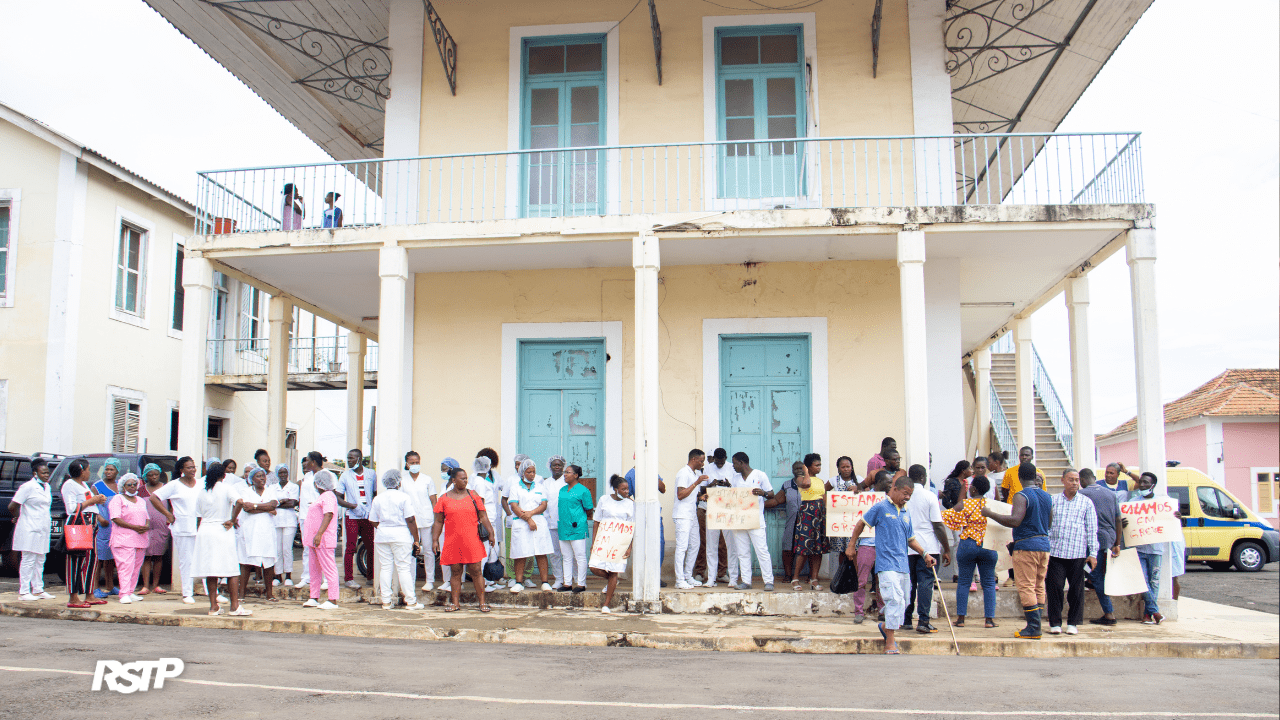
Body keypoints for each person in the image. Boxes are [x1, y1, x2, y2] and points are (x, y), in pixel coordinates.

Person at [847, 474, 936, 655]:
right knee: (893, 599)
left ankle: (886, 626)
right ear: (894, 489)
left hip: (903, 564)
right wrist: (851, 545)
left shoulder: (906, 513)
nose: (907, 497)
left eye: (910, 494)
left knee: (903, 603)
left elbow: (910, 539)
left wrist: (925, 553)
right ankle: (891, 641)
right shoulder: (880, 507)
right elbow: (860, 524)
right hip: (886, 564)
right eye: (905, 493)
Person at [983, 462, 1052, 639]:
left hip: (1026, 547)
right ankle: (1037, 625)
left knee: (1026, 586)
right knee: (1039, 585)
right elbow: (1049, 523)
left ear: (1019, 477)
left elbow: (1015, 520)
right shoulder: (1046, 496)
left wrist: (991, 514)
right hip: (1044, 545)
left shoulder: (1021, 495)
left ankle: (1033, 627)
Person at [432, 467, 496, 612]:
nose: (465, 481)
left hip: (472, 540)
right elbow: (438, 521)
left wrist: (491, 533)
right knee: (456, 572)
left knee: (476, 571)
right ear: (453, 480)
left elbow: (483, 516)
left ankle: (482, 602)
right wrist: (435, 540)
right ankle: (455, 603)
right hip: (453, 541)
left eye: (466, 478)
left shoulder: (473, 495)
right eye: (462, 478)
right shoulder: (444, 499)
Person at [1046, 469, 1098, 635]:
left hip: (1078, 554)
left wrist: (1093, 553)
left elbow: (1092, 529)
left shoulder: (1086, 503)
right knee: (1055, 588)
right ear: (1063, 480)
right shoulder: (1052, 501)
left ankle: (1073, 623)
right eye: (1071, 480)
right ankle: (1055, 623)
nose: (1074, 483)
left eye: (1077, 480)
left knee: (1076, 590)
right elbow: (1047, 526)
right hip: (1056, 553)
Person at [942, 475, 999, 628]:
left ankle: (961, 619)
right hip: (988, 543)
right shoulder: (991, 505)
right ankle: (989, 620)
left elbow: (947, 516)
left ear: (973, 489)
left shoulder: (964, 504)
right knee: (988, 583)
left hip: (968, 543)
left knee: (964, 582)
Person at [192, 463, 247, 616]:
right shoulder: (226, 488)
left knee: (211, 570)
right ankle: (235, 606)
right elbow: (240, 502)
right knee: (231, 570)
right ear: (223, 475)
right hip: (222, 528)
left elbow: (198, 516)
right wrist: (232, 519)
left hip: (205, 529)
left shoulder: (203, 491)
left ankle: (213, 606)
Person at [903, 464, 950, 633]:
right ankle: (923, 620)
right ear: (923, 478)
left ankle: (906, 619)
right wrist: (947, 549)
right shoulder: (930, 496)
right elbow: (938, 526)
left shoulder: (904, 496)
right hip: (928, 547)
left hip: (908, 546)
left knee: (910, 583)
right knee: (925, 583)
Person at [369, 469, 423, 610]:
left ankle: (386, 601)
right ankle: (411, 601)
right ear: (399, 482)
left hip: (382, 536)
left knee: (385, 567)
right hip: (401, 536)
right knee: (403, 568)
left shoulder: (378, 498)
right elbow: (410, 519)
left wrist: (383, 527)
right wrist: (416, 539)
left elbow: (373, 520)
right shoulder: (403, 497)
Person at [150, 456, 200, 604]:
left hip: (199, 526)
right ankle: (187, 593)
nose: (193, 470)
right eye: (189, 467)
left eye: (194, 467)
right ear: (181, 470)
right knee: (187, 561)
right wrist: (167, 514)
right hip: (182, 527)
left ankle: (212, 592)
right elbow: (154, 498)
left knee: (203, 558)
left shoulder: (200, 484)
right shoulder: (174, 485)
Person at [1078, 467, 1123, 625]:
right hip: (1108, 540)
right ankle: (1089, 580)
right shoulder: (1111, 494)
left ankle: (1109, 613)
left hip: (1091, 540)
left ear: (1082, 480)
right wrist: (1117, 543)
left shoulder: (1081, 495)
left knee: (1096, 576)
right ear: (1094, 478)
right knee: (1094, 573)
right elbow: (1118, 520)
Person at [60, 458, 107, 607]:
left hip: (91, 523)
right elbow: (71, 509)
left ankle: (89, 594)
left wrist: (97, 501)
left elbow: (88, 502)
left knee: (91, 559)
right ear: (82, 471)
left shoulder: (83, 484)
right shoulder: (69, 485)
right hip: (79, 524)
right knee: (76, 560)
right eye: (87, 470)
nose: (89, 473)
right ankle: (73, 598)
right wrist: (92, 500)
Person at [9, 457, 55, 601]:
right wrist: (18, 517)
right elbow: (12, 506)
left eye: (48, 473)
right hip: (29, 527)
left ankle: (38, 589)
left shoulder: (47, 487)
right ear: (35, 473)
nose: (46, 475)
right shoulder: (27, 487)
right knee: (28, 559)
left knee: (41, 558)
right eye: (43, 473)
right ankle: (24, 592)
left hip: (43, 527)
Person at [729, 452, 775, 591]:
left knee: (761, 550)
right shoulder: (735, 478)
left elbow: (771, 493)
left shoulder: (760, 475)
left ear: (742, 463)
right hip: (739, 519)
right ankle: (746, 581)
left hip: (756, 519)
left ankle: (768, 581)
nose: (733, 466)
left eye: (735, 463)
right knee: (742, 552)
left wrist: (763, 493)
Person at [1126, 471, 1167, 625]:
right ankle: (1155, 611)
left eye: (1146, 483)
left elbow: (1170, 522)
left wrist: (1175, 517)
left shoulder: (1162, 503)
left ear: (1153, 485)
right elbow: (1127, 521)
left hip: (1155, 549)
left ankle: (1147, 614)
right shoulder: (1133, 502)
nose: (1142, 485)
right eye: (1141, 482)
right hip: (1139, 548)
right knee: (1143, 582)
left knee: (1154, 582)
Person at [590, 474, 634, 613]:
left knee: (614, 571)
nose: (627, 492)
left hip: (620, 542)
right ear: (616, 489)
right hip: (604, 541)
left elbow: (631, 527)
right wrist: (594, 542)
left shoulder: (630, 504)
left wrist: (629, 547)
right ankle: (611, 581)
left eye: (627, 489)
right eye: (623, 489)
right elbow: (596, 521)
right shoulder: (604, 499)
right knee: (594, 567)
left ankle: (606, 604)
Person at [508, 457, 554, 591]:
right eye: (529, 472)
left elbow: (543, 505)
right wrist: (528, 519)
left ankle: (544, 582)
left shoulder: (540, 486)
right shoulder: (515, 487)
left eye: (533, 472)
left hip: (539, 522)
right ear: (522, 473)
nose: (532, 475)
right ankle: (518, 582)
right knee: (520, 553)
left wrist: (531, 513)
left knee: (541, 552)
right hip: (522, 523)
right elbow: (514, 506)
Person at [236, 466, 280, 602]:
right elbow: (247, 509)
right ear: (251, 479)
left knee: (268, 562)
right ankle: (241, 595)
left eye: (263, 476)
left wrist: (255, 506)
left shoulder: (271, 490)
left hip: (267, 530)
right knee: (246, 563)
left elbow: (273, 505)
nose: (262, 478)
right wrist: (266, 508)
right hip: (250, 531)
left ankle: (269, 594)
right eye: (258, 476)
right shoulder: (245, 491)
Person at [107, 473, 151, 603]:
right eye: (129, 485)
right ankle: (124, 593)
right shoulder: (118, 499)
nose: (132, 487)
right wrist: (134, 527)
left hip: (140, 539)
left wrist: (146, 526)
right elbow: (116, 518)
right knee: (126, 567)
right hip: (123, 539)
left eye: (134, 484)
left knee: (136, 567)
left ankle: (131, 591)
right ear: (123, 486)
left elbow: (147, 517)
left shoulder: (141, 500)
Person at [301, 470, 341, 610]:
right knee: (314, 570)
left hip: (322, 539)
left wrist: (319, 534)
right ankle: (314, 597)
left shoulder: (328, 496)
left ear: (319, 484)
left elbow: (328, 515)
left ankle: (333, 599)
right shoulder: (322, 497)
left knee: (329, 569)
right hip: (313, 540)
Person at [624, 459, 668, 586]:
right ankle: (641, 577)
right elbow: (626, 494)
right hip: (639, 515)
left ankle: (655, 576)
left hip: (654, 514)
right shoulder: (630, 474)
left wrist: (653, 474)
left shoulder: (652, 471)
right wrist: (635, 505)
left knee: (659, 544)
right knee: (641, 545)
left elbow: (663, 489)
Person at [338, 448, 376, 589]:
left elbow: (375, 493)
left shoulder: (371, 474)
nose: (349, 461)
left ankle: (370, 577)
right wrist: (350, 505)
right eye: (348, 458)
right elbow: (338, 497)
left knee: (371, 546)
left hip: (368, 516)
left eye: (352, 458)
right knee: (350, 547)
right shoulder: (345, 476)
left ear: (359, 459)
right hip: (352, 516)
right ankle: (349, 579)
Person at [792, 453, 830, 590]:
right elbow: (806, 484)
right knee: (804, 548)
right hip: (807, 513)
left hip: (819, 514)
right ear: (808, 467)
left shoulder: (820, 481)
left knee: (818, 549)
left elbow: (824, 497)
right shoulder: (800, 478)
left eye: (820, 465)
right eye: (816, 465)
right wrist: (806, 471)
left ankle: (814, 579)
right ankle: (795, 579)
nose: (819, 467)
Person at [696, 448, 733, 586]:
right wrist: (712, 485)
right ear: (713, 459)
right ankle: (701, 572)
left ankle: (722, 573)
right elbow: (700, 489)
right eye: (717, 462)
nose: (719, 465)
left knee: (723, 543)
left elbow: (736, 488)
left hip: (725, 509)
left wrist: (727, 485)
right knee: (704, 541)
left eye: (721, 462)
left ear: (725, 458)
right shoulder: (708, 469)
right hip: (707, 508)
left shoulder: (731, 468)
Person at [402, 451, 438, 594]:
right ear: (407, 464)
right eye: (412, 462)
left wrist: (436, 520)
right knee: (411, 551)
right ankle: (410, 580)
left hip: (426, 519)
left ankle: (429, 580)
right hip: (409, 521)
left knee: (428, 550)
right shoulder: (402, 480)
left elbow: (433, 500)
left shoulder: (427, 479)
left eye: (417, 462)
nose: (415, 465)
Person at [673, 449, 709, 589]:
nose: (702, 463)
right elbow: (680, 494)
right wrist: (696, 482)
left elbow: (690, 494)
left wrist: (700, 497)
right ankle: (679, 580)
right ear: (694, 459)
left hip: (691, 514)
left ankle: (688, 576)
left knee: (695, 544)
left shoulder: (694, 473)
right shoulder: (683, 473)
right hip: (682, 515)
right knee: (682, 547)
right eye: (701, 460)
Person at [555, 464, 594, 592]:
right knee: (566, 556)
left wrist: (578, 519)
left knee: (580, 556)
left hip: (577, 528)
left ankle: (581, 584)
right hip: (563, 527)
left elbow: (589, 510)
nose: (565, 474)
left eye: (568, 472)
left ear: (576, 475)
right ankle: (567, 583)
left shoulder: (583, 491)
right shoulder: (562, 490)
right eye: (565, 472)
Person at [766, 465, 803, 587]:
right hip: (791, 521)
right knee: (787, 547)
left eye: (801, 468)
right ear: (792, 471)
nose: (799, 470)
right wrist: (757, 505)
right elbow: (776, 500)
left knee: (807, 548)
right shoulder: (787, 485)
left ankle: (807, 576)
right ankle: (788, 575)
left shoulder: (810, 483)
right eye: (796, 469)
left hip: (806, 521)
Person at [139, 464, 171, 596]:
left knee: (158, 556)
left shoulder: (165, 489)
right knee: (146, 557)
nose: (153, 477)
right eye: (150, 475)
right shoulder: (140, 490)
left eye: (156, 474)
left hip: (161, 526)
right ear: (145, 476)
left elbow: (172, 506)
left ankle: (156, 585)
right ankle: (145, 586)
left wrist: (170, 519)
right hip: (145, 527)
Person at [825, 456, 859, 579]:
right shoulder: (833, 480)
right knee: (841, 551)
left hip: (854, 521)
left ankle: (855, 577)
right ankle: (843, 576)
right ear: (838, 468)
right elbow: (824, 491)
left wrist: (858, 489)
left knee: (854, 549)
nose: (846, 469)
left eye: (848, 467)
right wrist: (828, 504)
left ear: (852, 467)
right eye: (843, 467)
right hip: (839, 521)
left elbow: (867, 493)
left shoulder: (859, 480)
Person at [295, 451, 325, 589]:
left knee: (322, 547)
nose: (305, 463)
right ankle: (306, 577)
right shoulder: (306, 477)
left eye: (307, 460)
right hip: (304, 515)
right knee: (307, 548)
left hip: (319, 516)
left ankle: (324, 578)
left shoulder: (327, 475)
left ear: (313, 462)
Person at [92, 458, 122, 599]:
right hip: (103, 526)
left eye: (112, 469)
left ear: (117, 471)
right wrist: (99, 519)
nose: (108, 472)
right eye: (107, 469)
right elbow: (91, 505)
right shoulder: (97, 486)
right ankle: (95, 587)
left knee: (110, 558)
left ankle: (110, 586)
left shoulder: (119, 486)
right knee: (99, 558)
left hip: (115, 526)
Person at [541, 455, 568, 590]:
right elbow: (543, 502)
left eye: (559, 465)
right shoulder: (546, 483)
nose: (557, 467)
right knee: (554, 553)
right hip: (550, 523)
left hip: (566, 523)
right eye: (554, 465)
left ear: (563, 467)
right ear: (550, 467)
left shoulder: (567, 481)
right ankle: (558, 579)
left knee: (569, 553)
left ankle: (572, 578)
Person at [270, 463, 299, 586]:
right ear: (277, 474)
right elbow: (270, 503)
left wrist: (278, 503)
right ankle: (277, 576)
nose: (283, 475)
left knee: (287, 548)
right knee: (277, 549)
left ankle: (288, 575)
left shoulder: (293, 487)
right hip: (275, 521)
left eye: (285, 472)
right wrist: (283, 501)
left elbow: (293, 503)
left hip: (289, 521)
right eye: (280, 473)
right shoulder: (272, 488)